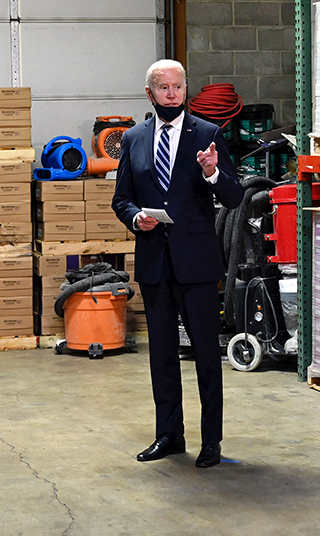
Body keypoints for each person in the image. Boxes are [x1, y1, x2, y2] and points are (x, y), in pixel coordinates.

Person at [111, 60, 243, 468]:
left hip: (196, 265)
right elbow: (121, 199)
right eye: (163, 88)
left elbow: (235, 196)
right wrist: (136, 217)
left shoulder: (208, 134)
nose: (171, 94)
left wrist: (212, 171)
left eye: (177, 86)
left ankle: (211, 442)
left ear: (186, 89)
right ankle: (169, 435)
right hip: (155, 263)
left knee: (206, 354)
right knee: (162, 354)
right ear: (149, 93)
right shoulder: (133, 139)